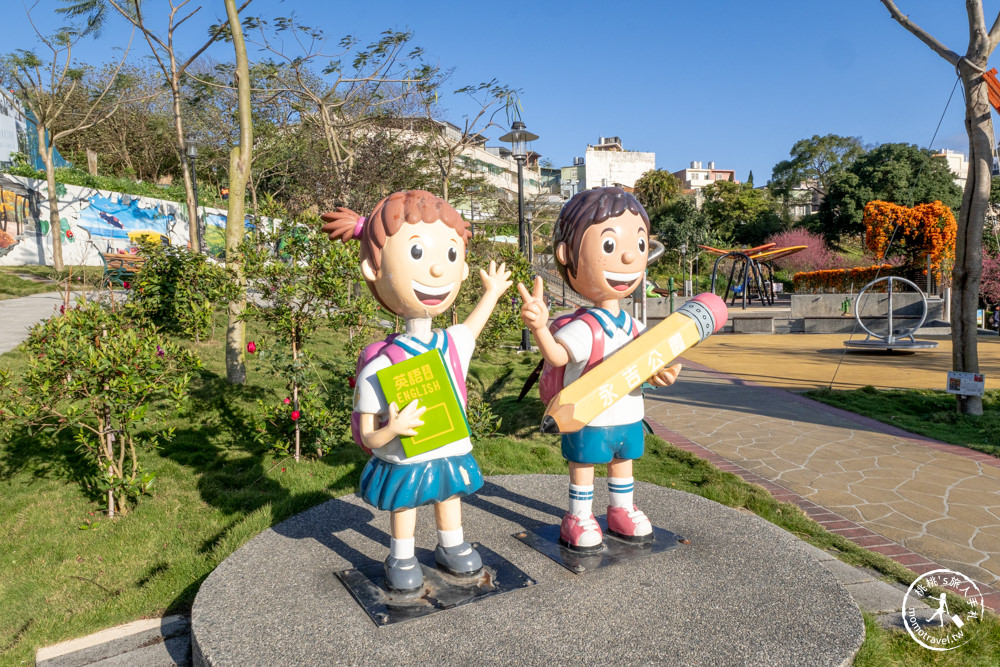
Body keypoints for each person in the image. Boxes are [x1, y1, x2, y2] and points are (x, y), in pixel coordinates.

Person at [322, 190, 512, 592]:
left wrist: (492, 293)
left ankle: (452, 545)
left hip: (446, 448)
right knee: (405, 503)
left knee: (449, 496)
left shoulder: (449, 344)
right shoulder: (382, 362)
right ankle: (402, 555)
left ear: (461, 268)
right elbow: (370, 434)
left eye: (448, 256)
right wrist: (393, 429)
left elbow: (473, 325)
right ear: (373, 269)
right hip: (403, 453)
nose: (437, 271)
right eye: (415, 254)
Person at [517, 187, 682, 551]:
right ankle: (578, 515)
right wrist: (540, 328)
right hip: (588, 414)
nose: (627, 256)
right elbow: (558, 357)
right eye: (609, 246)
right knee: (586, 465)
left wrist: (660, 374)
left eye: (639, 245)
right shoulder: (585, 326)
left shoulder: (634, 324)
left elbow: (646, 362)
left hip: (628, 413)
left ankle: (621, 510)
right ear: (566, 255)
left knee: (624, 461)